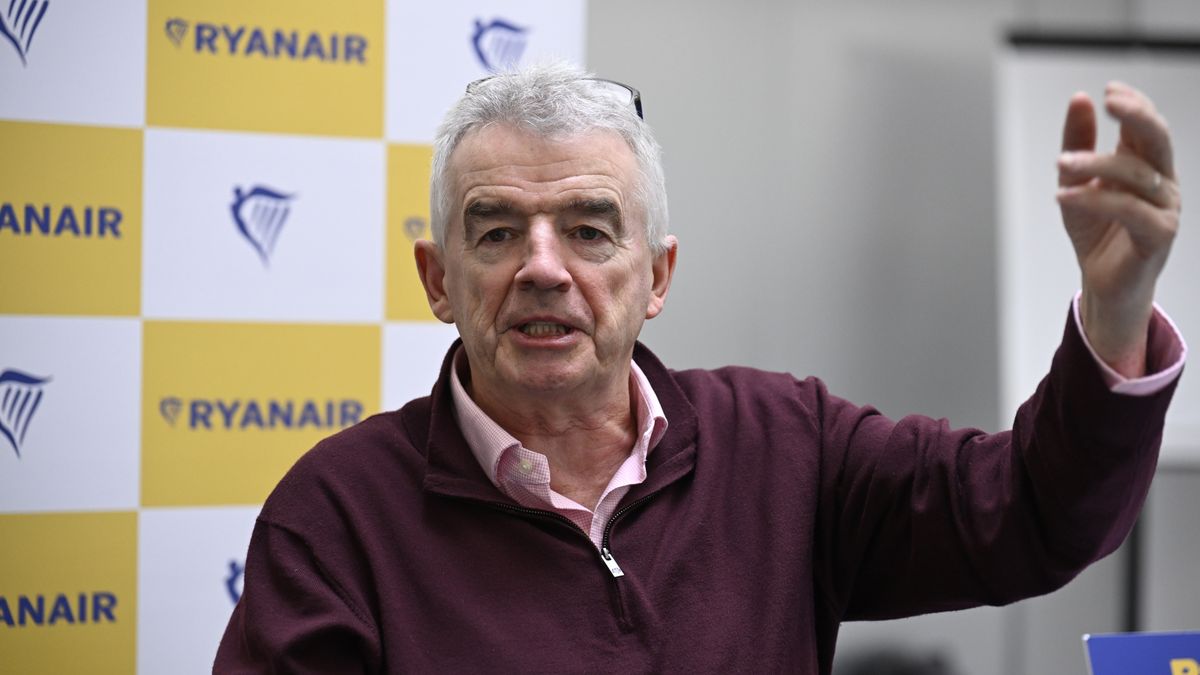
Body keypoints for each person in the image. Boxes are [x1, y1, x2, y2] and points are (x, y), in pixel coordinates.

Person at [214, 62, 1185, 673]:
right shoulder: (334, 519)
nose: (543, 267)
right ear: (437, 279)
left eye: (590, 230)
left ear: (658, 277)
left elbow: (1033, 513)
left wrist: (1114, 308)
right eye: (498, 230)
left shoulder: (788, 448)